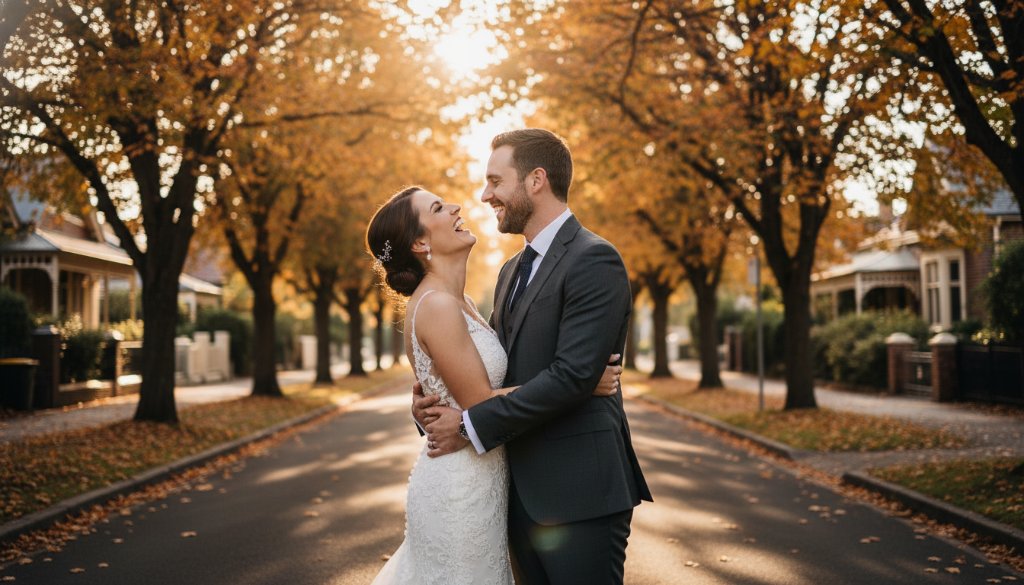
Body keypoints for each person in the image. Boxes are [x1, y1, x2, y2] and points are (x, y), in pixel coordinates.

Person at [415, 128, 652, 585]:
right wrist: (430, 403)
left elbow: (572, 376)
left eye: (496, 182)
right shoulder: (510, 271)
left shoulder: (594, 259)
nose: (485, 196)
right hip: (514, 496)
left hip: (579, 495)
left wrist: (468, 426)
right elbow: (487, 370)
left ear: (536, 180)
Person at [365, 185, 623, 585]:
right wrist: (582, 382)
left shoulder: (465, 298)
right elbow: (480, 400)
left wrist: (434, 412)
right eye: (437, 207)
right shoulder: (435, 304)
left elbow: (475, 386)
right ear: (419, 242)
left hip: (489, 479)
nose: (456, 206)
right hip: (460, 487)